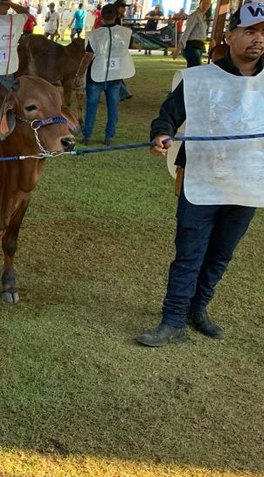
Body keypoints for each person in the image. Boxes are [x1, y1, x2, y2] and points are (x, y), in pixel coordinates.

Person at [137, 3, 264, 347]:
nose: (258, 40)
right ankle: (173, 319)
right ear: (231, 35)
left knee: (221, 253)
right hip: (202, 181)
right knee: (190, 252)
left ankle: (199, 308)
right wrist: (161, 134)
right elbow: (168, 116)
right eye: (251, 31)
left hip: (248, 184)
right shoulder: (199, 80)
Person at [81, 3, 134, 146]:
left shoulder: (94, 35)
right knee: (113, 107)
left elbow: (88, 56)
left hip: (96, 75)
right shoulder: (125, 32)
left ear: (101, 17)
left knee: (91, 106)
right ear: (116, 16)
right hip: (115, 75)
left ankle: (87, 136)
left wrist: (79, 74)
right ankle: (109, 136)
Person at [173, 0, 212, 67]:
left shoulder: (203, 16)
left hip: (198, 47)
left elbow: (199, 34)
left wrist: (210, 39)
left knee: (193, 71)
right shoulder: (194, 16)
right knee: (196, 70)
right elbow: (186, 33)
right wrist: (178, 49)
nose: (205, 5)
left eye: (208, 4)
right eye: (204, 3)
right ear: (200, 4)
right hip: (191, 47)